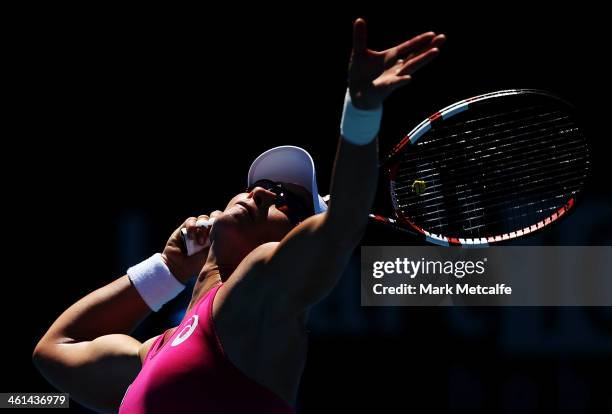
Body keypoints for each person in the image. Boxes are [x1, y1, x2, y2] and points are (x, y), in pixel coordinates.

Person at [32, 18, 445, 413]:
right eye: (261, 185)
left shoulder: (259, 292)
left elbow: (341, 227)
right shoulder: (154, 353)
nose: (263, 191)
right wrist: (168, 269)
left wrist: (360, 112)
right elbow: (55, 350)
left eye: (288, 199)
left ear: (296, 241)